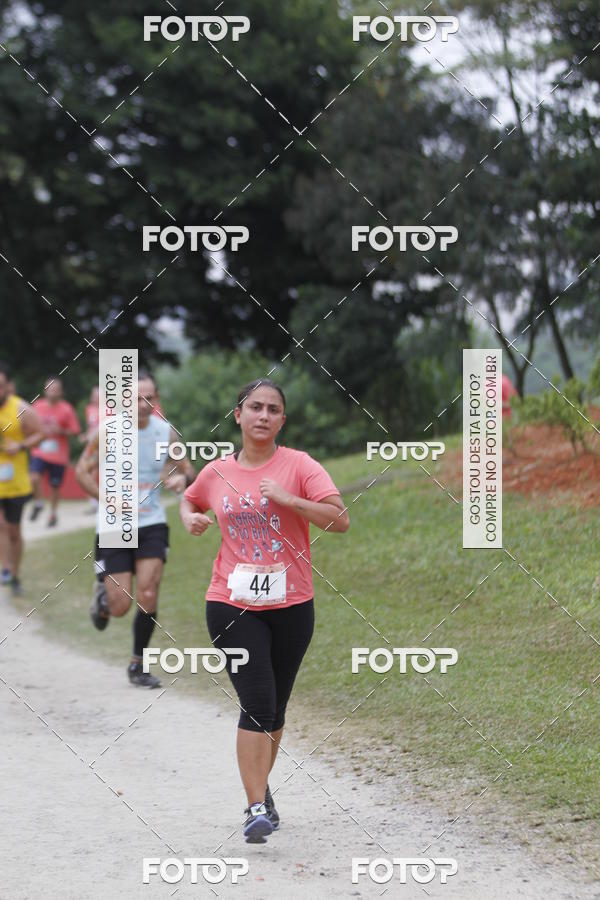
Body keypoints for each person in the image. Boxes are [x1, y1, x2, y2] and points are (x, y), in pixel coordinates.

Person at [180, 379, 349, 843]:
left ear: (282, 420)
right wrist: (189, 517)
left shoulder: (300, 466)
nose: (264, 415)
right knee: (256, 703)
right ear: (238, 414)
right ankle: (255, 805)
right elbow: (191, 498)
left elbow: (340, 520)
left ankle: (261, 792)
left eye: (274, 409)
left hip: (292, 604)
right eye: (255, 407)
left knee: (275, 709)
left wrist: (291, 500)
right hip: (231, 604)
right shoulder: (216, 471)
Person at [75, 371, 195, 688]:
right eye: (136, 399)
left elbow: (186, 470)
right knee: (120, 606)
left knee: (148, 593)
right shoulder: (107, 432)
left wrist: (179, 479)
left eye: (149, 398)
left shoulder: (166, 432)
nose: (143, 405)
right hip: (114, 525)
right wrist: (106, 499)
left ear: (156, 400)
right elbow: (81, 471)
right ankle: (103, 597)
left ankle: (137, 664)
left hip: (152, 522)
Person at [0, 363, 44, 595]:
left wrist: (21, 445)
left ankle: (15, 574)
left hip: (15, 483)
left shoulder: (21, 409)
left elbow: (40, 433)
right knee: (1, 525)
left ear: (7, 387)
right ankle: (5, 568)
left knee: (14, 531)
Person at [29, 377, 81, 527]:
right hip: (40, 451)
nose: (53, 392)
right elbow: (28, 425)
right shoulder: (37, 406)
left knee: (55, 487)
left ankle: (52, 514)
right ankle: (38, 503)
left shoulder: (66, 409)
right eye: (50, 389)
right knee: (34, 477)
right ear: (45, 391)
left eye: (56, 389)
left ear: (61, 392)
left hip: (58, 456)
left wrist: (62, 431)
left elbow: (75, 430)